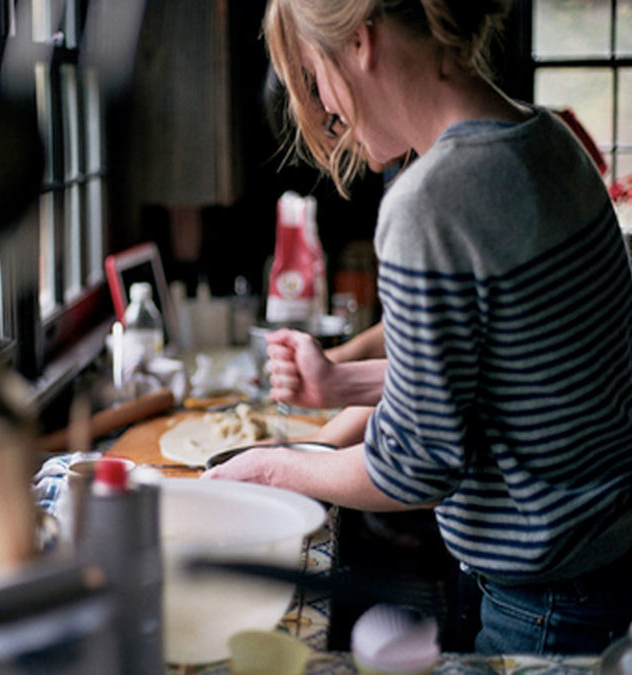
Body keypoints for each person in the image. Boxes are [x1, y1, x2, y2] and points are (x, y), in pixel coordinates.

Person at [204, 0, 632, 655]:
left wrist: (277, 469)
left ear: (361, 42)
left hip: (544, 599)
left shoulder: (430, 202)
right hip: (598, 570)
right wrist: (337, 387)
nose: (327, 109)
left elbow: (413, 466)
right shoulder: (548, 140)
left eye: (316, 76)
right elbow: (500, 367)